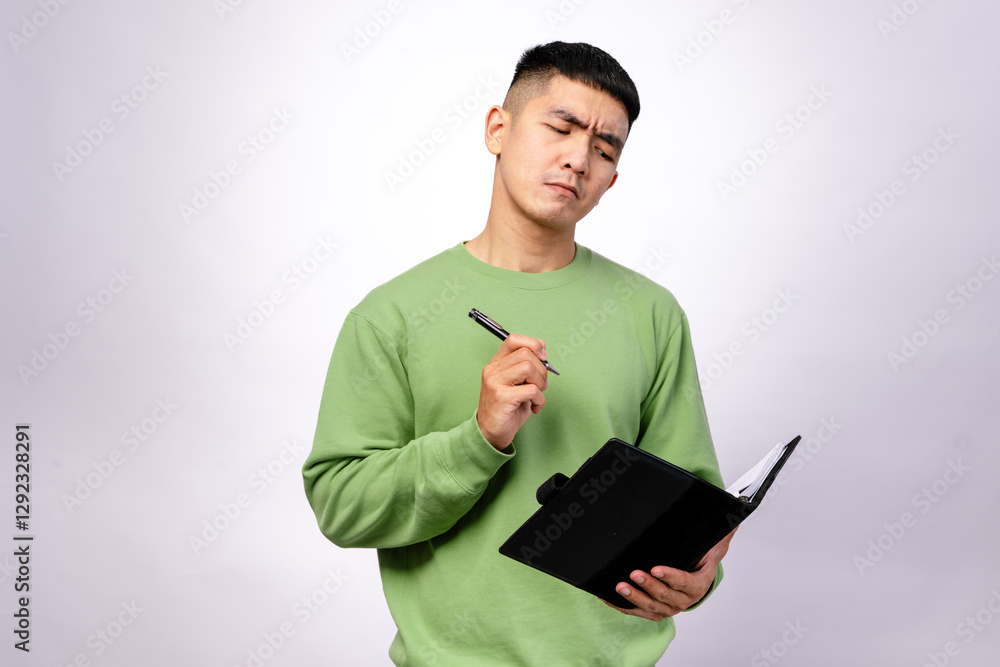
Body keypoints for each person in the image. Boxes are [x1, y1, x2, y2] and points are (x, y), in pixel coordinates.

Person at [303, 40, 735, 666]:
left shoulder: (652, 313)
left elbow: (693, 500)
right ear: (497, 130)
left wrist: (697, 578)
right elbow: (341, 507)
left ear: (613, 178)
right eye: (560, 126)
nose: (578, 158)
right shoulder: (390, 314)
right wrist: (478, 438)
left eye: (603, 147)